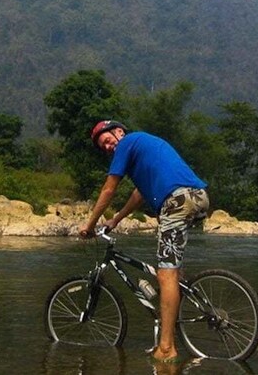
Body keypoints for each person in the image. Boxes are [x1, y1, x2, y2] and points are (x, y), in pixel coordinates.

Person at [80, 120, 209, 364]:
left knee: (165, 275)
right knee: (173, 272)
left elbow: (108, 190)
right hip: (197, 197)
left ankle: (167, 348)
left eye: (107, 140)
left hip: (177, 201)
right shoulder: (142, 147)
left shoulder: (127, 142)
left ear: (118, 132)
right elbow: (139, 194)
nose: (107, 147)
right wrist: (115, 219)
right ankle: (175, 316)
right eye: (103, 146)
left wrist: (89, 225)